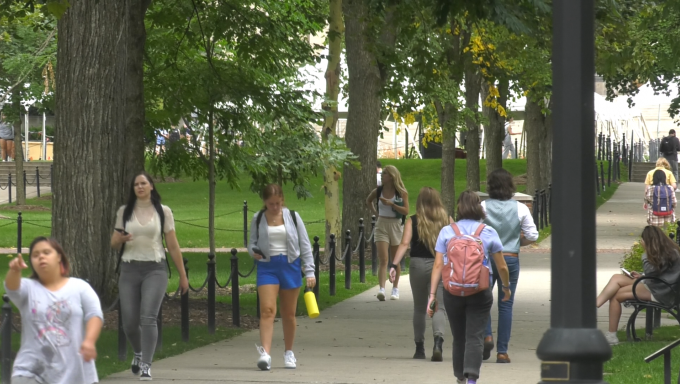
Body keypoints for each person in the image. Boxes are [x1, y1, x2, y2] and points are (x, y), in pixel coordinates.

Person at [110, 171, 189, 380]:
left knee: (148, 317)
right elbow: (114, 242)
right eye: (136, 184)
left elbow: (172, 245)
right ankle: (137, 352)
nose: (140, 187)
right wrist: (121, 239)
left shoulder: (163, 212)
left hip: (155, 269)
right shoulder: (124, 212)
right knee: (128, 321)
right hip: (129, 268)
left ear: (151, 186)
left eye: (144, 183)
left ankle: (146, 364)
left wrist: (183, 275)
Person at [428, 191, 511, 384]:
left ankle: (460, 377)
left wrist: (432, 295)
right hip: (480, 291)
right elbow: (502, 266)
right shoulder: (488, 231)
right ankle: (472, 378)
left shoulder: (447, 231)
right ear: (479, 208)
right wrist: (506, 287)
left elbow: (438, 265)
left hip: (452, 291)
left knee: (459, 336)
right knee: (475, 335)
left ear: (459, 208)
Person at [4, 237, 103, 384]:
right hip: (30, 370)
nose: (41, 257)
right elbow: (12, 288)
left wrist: (89, 341)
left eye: (46, 252)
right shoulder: (28, 287)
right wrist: (14, 270)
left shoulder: (79, 287)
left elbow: (94, 315)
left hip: (74, 371)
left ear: (59, 257)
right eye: (35, 255)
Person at [248, 184, 316, 371]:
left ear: (282, 201)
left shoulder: (293, 217)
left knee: (288, 313)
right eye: (271, 204)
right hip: (267, 267)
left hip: (290, 265)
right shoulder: (258, 218)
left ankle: (289, 352)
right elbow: (251, 242)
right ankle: (265, 354)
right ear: (265, 202)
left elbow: (305, 244)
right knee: (268, 310)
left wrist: (310, 270)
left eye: (278, 203)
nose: (275, 207)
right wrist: (253, 251)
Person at [482, 168, 538, 364]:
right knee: (506, 304)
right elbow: (532, 235)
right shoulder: (520, 208)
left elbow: (475, 230)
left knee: (483, 301)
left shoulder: (483, 206)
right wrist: (517, 242)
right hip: (510, 258)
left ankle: (487, 336)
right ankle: (502, 351)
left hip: (487, 258)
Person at [389, 187, 449, 361]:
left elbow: (404, 244)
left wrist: (394, 264)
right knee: (438, 306)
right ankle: (438, 342)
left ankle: (419, 347)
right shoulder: (446, 220)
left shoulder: (413, 221)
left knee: (419, 308)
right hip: (439, 264)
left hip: (417, 265)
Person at [596, 226, 680, 345]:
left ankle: (611, 336)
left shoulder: (668, 254)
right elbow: (656, 273)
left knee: (615, 296)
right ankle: (596, 305)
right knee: (616, 278)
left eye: (644, 240)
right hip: (659, 287)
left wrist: (646, 252)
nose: (642, 242)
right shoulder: (670, 251)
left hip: (661, 292)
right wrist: (642, 276)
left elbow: (651, 271)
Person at [365, 165, 410, 301]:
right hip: (381, 225)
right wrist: (376, 213)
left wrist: (392, 205)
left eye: (384, 174)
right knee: (383, 259)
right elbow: (368, 200)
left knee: (394, 261)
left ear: (391, 176)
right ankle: (382, 289)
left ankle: (395, 289)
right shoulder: (378, 191)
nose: (382, 175)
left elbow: (406, 211)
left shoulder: (401, 192)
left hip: (395, 225)